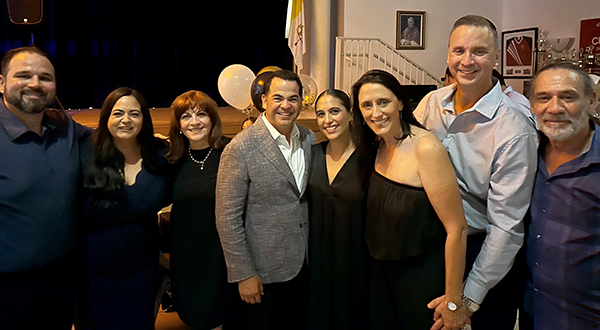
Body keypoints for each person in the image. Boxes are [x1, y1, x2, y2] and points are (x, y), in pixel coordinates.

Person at [415, 15, 539, 330]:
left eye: (479, 52)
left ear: (496, 57)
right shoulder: (431, 103)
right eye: (459, 51)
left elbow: (506, 228)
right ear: (447, 55)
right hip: (430, 247)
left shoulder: (513, 128)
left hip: (480, 255)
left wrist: (466, 299)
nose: (467, 61)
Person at [352, 69, 470, 330]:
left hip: (422, 282)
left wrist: (452, 300)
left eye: (383, 102)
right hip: (383, 276)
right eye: (367, 105)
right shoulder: (379, 143)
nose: (376, 112)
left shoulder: (425, 148)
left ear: (401, 103)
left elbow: (457, 229)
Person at [216, 70, 316, 330]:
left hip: (305, 264)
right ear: (264, 101)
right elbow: (227, 218)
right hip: (264, 271)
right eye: (278, 98)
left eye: (293, 98)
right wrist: (244, 274)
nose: (286, 105)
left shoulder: (308, 138)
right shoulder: (240, 148)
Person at [0, 46, 91, 329]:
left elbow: (111, 140)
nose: (35, 84)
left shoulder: (63, 124)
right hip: (10, 288)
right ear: (1, 82)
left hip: (64, 274)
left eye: (45, 77)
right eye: (23, 75)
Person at [76, 87, 170, 329]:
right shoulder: (84, 153)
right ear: (106, 116)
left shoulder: (160, 155)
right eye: (118, 113)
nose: (126, 120)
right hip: (93, 273)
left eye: (134, 114)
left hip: (142, 271)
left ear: (144, 119)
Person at [520, 63, 600, 329]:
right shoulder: (529, 153)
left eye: (568, 96)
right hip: (533, 309)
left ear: (592, 100)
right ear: (531, 105)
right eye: (544, 98)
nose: (554, 108)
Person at [165, 90, 243, 329]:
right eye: (186, 116)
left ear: (213, 120)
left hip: (221, 253)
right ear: (178, 125)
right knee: (194, 315)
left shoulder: (230, 152)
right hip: (187, 254)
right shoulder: (171, 158)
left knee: (223, 314)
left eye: (201, 114)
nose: (195, 122)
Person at [307, 89, 375, 330]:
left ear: (351, 115)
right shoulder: (311, 155)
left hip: (356, 266)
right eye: (321, 114)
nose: (328, 120)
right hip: (316, 267)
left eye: (335, 111)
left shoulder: (370, 159)